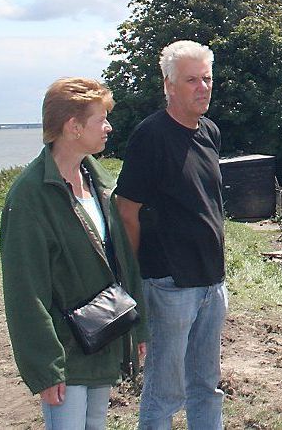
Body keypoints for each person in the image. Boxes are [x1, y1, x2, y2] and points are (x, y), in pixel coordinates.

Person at [0, 77, 146, 430]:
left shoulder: (100, 183)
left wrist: (138, 331)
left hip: (103, 337)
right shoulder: (29, 197)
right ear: (73, 126)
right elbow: (25, 291)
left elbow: (124, 262)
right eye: (101, 119)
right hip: (66, 351)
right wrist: (45, 366)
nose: (109, 127)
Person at [114, 40, 227, 429]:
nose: (203, 87)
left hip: (212, 282)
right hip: (170, 284)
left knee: (207, 387)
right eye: (192, 80)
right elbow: (126, 208)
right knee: (165, 392)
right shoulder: (151, 136)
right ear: (169, 85)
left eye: (207, 78)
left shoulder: (209, 131)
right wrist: (132, 279)